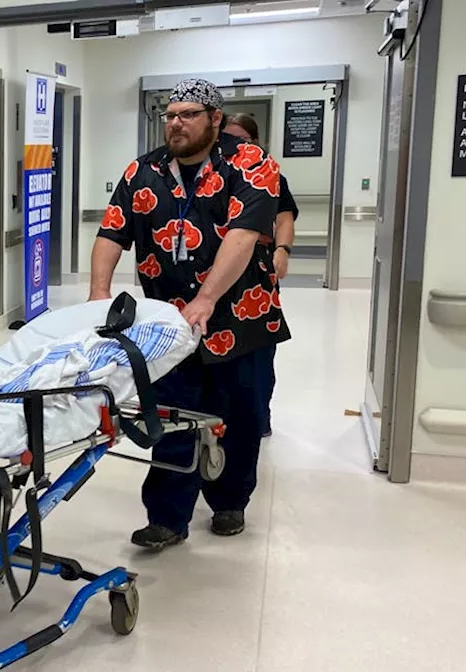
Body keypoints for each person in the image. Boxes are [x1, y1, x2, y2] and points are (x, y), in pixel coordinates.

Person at [89, 78, 290, 549]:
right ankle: (167, 516)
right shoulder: (143, 172)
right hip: (168, 322)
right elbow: (111, 233)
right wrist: (100, 291)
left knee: (241, 415)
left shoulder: (251, 164)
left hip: (241, 319)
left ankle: (229, 503)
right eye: (170, 115)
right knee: (171, 415)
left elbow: (242, 236)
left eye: (188, 115)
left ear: (215, 119)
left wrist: (207, 298)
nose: (175, 124)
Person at [223, 113, 299, 438]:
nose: (237, 146)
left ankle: (258, 416)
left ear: (255, 142)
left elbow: (284, 217)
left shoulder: (268, 175)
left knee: (259, 349)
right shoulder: (210, 175)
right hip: (218, 271)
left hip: (257, 271)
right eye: (229, 138)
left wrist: (282, 249)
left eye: (244, 139)